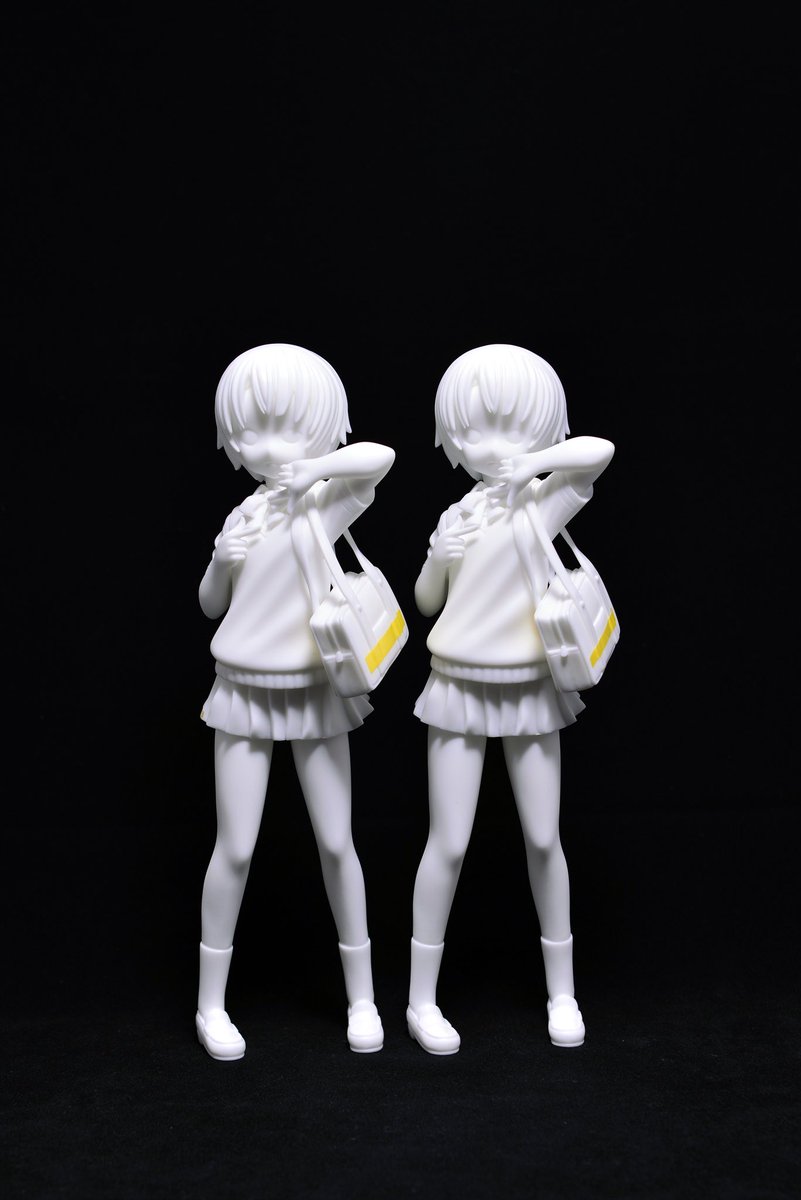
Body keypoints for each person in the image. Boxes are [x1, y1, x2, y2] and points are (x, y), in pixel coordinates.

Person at [407, 343, 615, 1055]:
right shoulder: (457, 513)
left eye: (511, 426)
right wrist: (440, 553)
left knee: (542, 838)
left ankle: (563, 992)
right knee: (448, 842)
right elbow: (426, 603)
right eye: (473, 430)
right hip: (456, 683)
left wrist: (530, 465)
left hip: (529, 685)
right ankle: (420, 999)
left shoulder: (541, 500)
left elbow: (597, 452)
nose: (490, 446)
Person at [196, 343, 394, 1060]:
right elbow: (210, 605)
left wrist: (312, 469)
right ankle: (210, 1004)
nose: (267, 447)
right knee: (236, 847)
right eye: (250, 432)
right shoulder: (243, 514)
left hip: (315, 688)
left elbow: (377, 458)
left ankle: (362, 998)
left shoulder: (323, 499)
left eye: (287, 427)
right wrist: (221, 559)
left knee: (336, 842)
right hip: (243, 688)